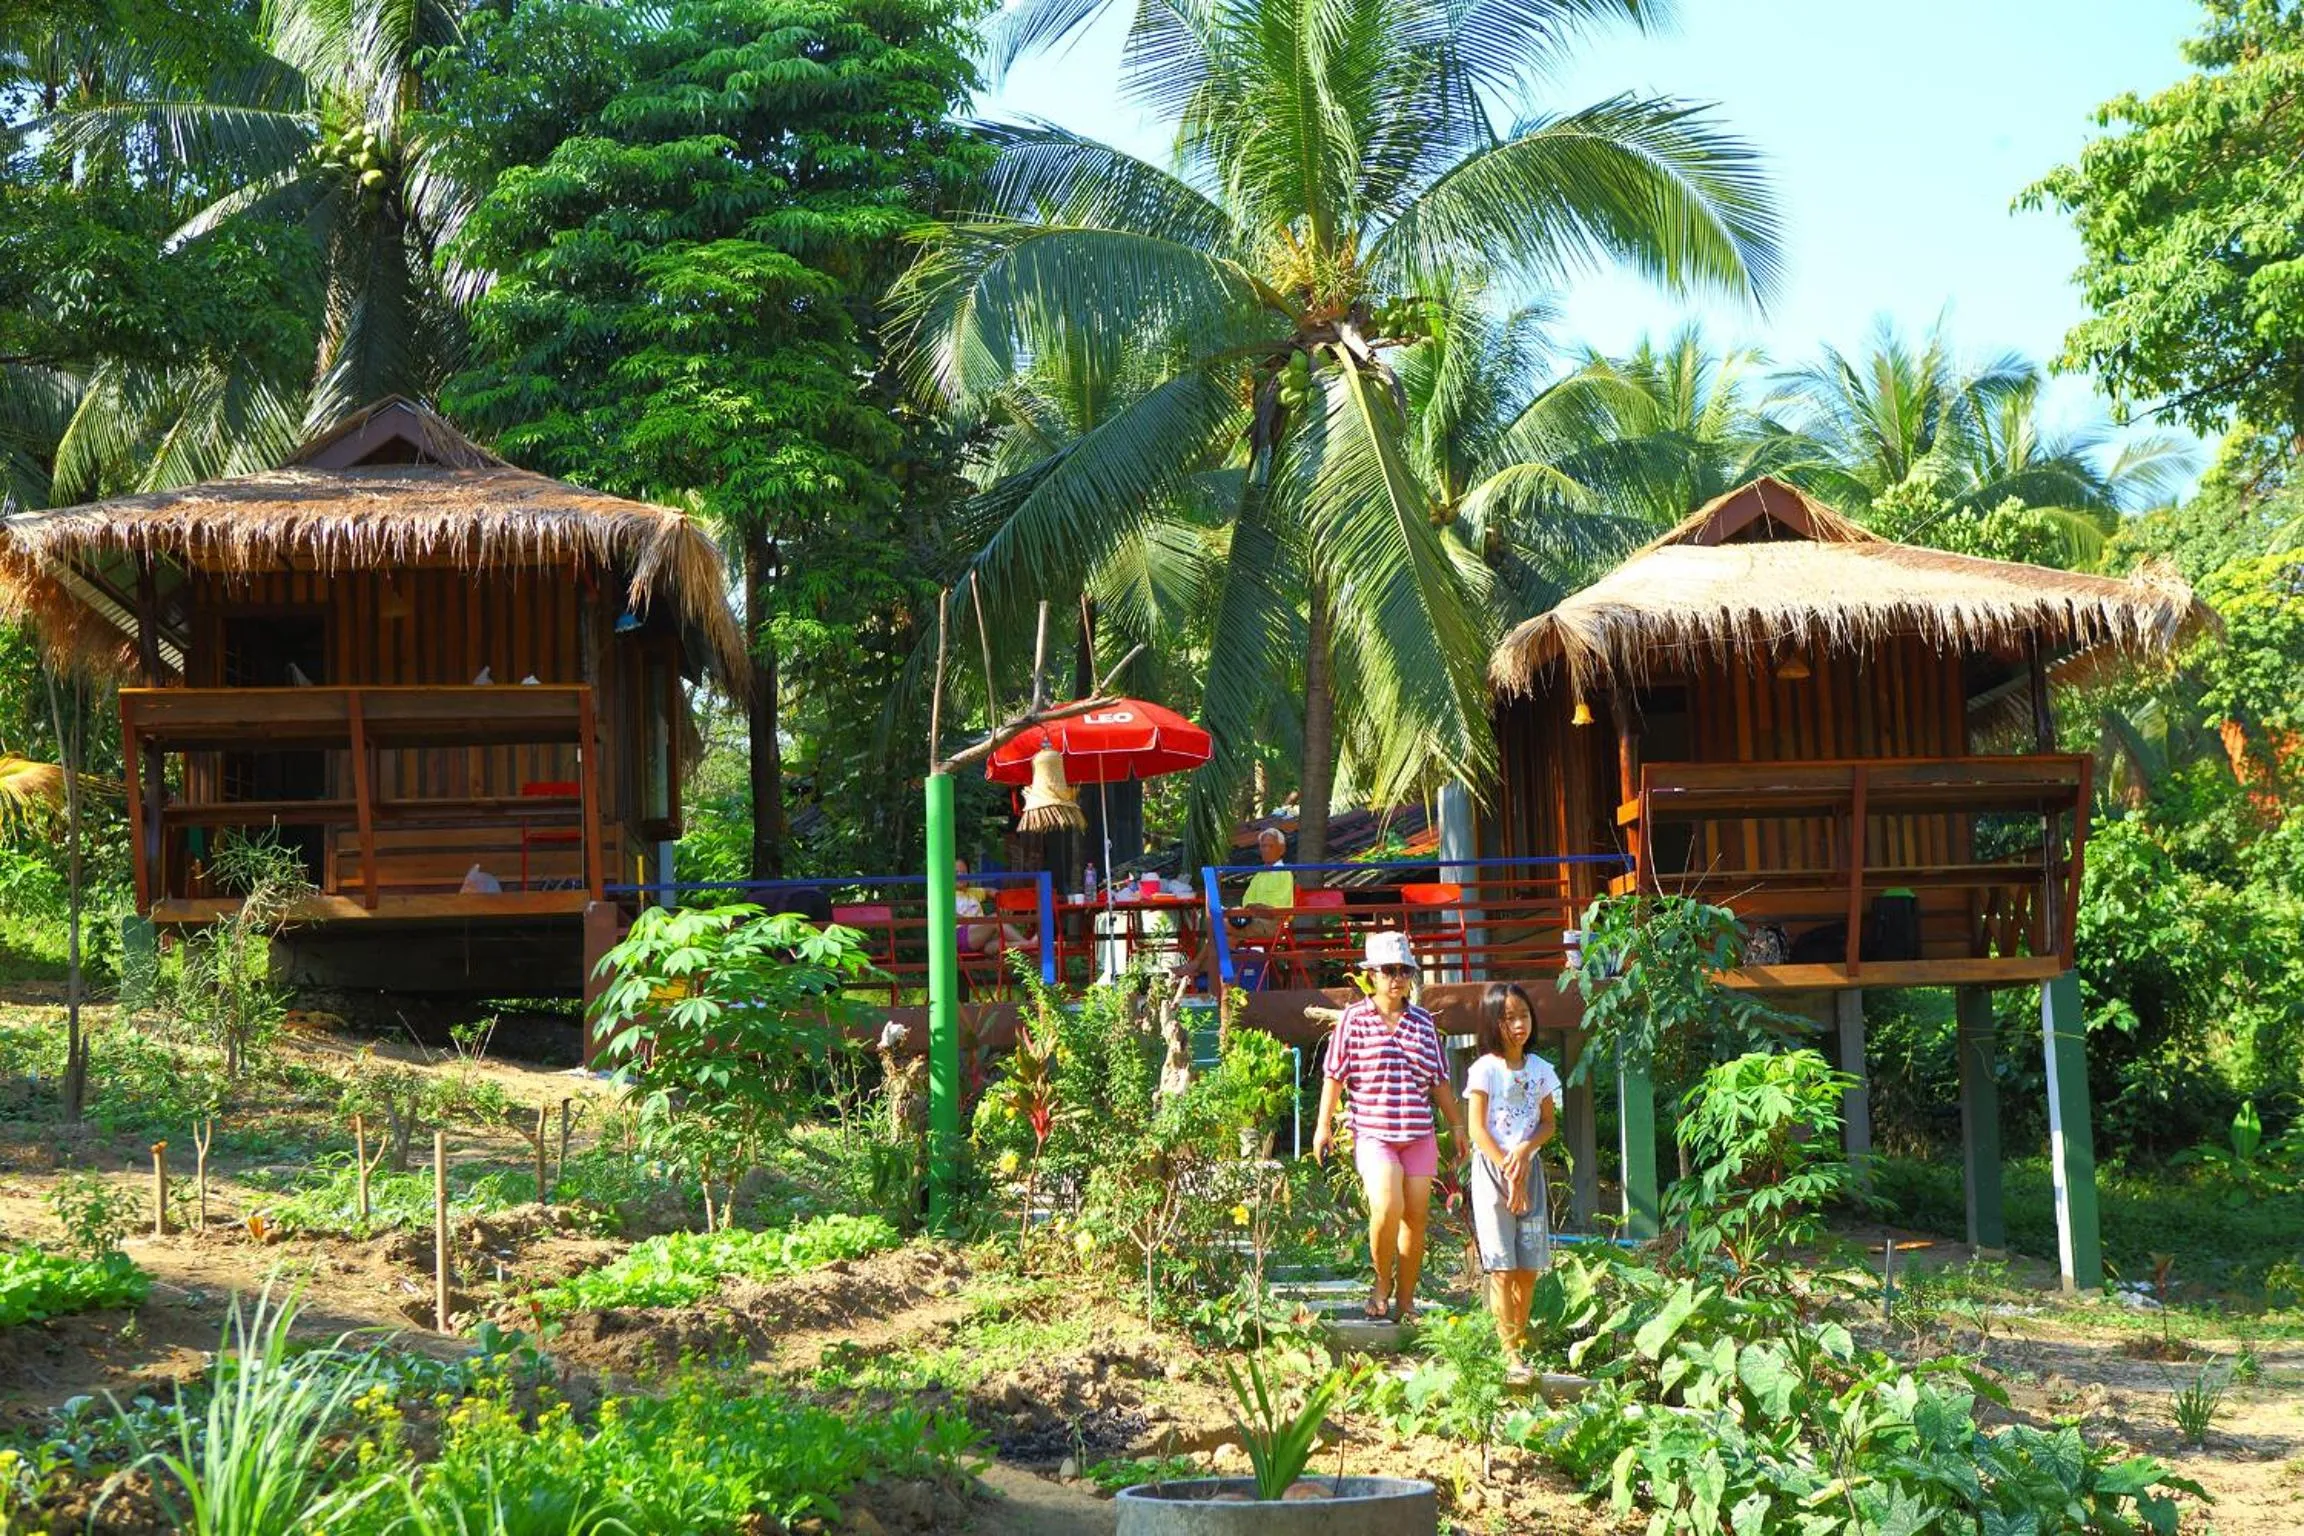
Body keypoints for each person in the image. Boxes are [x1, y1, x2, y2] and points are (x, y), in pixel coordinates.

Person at [1311, 930, 1467, 1325]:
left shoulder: (1422, 1023)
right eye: (1388, 970)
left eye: (1403, 970)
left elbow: (1439, 1080)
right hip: (1374, 1134)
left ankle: (1407, 1301)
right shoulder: (1354, 1019)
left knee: (1416, 1217)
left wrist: (1458, 1126)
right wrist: (1323, 1126)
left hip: (1418, 1134)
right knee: (1386, 1205)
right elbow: (1334, 1075)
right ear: (1372, 974)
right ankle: (1381, 1283)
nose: (1397, 978)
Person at [1465, 982, 1559, 1381]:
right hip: (1493, 1172)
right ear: (1493, 1023)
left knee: (1528, 1268)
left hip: (1529, 1170)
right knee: (1502, 1267)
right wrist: (1509, 1166)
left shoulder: (1541, 1070)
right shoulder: (1484, 1069)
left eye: (1523, 1016)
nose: (1518, 1025)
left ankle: (1518, 1341)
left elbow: (1548, 1123)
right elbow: (1476, 1129)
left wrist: (1523, 1153)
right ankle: (1509, 1353)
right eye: (1508, 1018)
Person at [954, 858, 1025, 954]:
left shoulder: (972, 891)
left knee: (996, 945)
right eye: (956, 872)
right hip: (959, 936)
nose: (961, 876)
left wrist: (1002, 901)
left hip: (979, 936)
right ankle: (1031, 945)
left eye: (964, 872)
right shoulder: (944, 895)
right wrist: (981, 922)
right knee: (994, 919)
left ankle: (1029, 946)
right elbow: (953, 917)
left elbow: (990, 891)